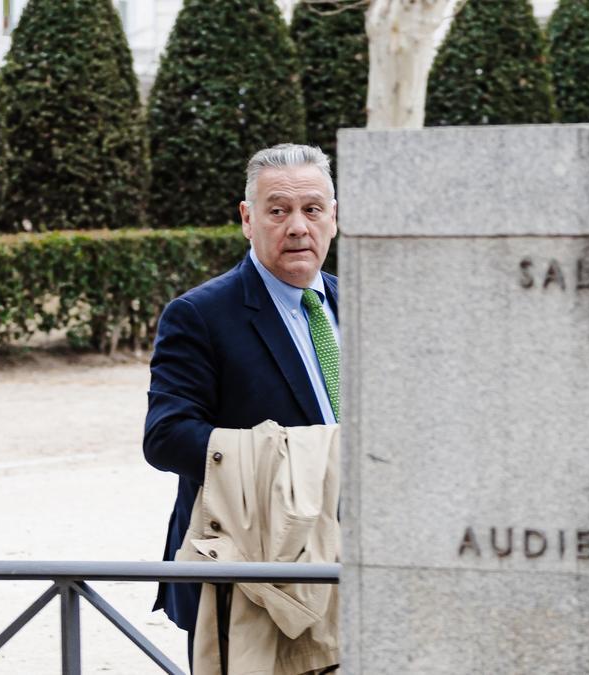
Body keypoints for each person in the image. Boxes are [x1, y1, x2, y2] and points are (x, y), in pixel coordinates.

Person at [143, 143, 341, 652]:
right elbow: (166, 438)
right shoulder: (199, 315)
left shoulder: (366, 301)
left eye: (312, 209)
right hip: (251, 578)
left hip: (351, 570)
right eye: (279, 210)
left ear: (334, 217)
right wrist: (297, 463)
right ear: (248, 219)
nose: (298, 226)